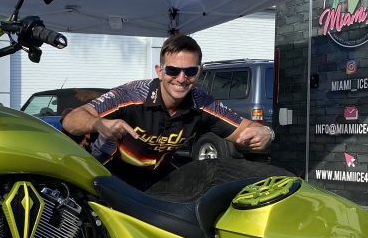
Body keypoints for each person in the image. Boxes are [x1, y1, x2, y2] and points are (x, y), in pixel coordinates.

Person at [61, 33, 274, 190]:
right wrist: (99, 124)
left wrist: (266, 133)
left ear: (199, 72)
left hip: (155, 183)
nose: (181, 79)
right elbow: (71, 120)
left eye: (190, 71)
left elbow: (248, 129)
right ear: (160, 71)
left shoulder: (203, 104)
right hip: (106, 177)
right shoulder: (131, 94)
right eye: (173, 70)